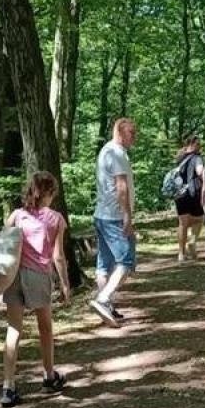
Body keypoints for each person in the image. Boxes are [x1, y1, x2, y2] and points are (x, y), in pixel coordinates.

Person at [0, 171, 73, 408]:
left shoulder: (16, 216)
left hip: (13, 276)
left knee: (13, 329)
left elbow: (3, 246)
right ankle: (49, 376)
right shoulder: (56, 219)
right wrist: (64, 283)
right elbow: (58, 256)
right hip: (39, 275)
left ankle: (8, 386)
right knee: (45, 327)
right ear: (49, 193)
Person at [91, 117, 138, 326]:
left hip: (102, 215)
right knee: (126, 261)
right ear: (119, 132)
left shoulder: (106, 151)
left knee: (105, 264)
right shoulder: (117, 153)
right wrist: (127, 216)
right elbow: (121, 187)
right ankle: (103, 299)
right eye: (131, 133)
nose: (134, 138)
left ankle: (106, 307)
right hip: (114, 217)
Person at [172, 135, 205, 262]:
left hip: (179, 194)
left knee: (182, 223)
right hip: (193, 193)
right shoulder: (197, 158)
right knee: (199, 219)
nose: (200, 146)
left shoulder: (179, 158)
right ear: (191, 144)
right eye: (198, 144)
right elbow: (199, 172)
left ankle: (181, 254)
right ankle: (192, 240)